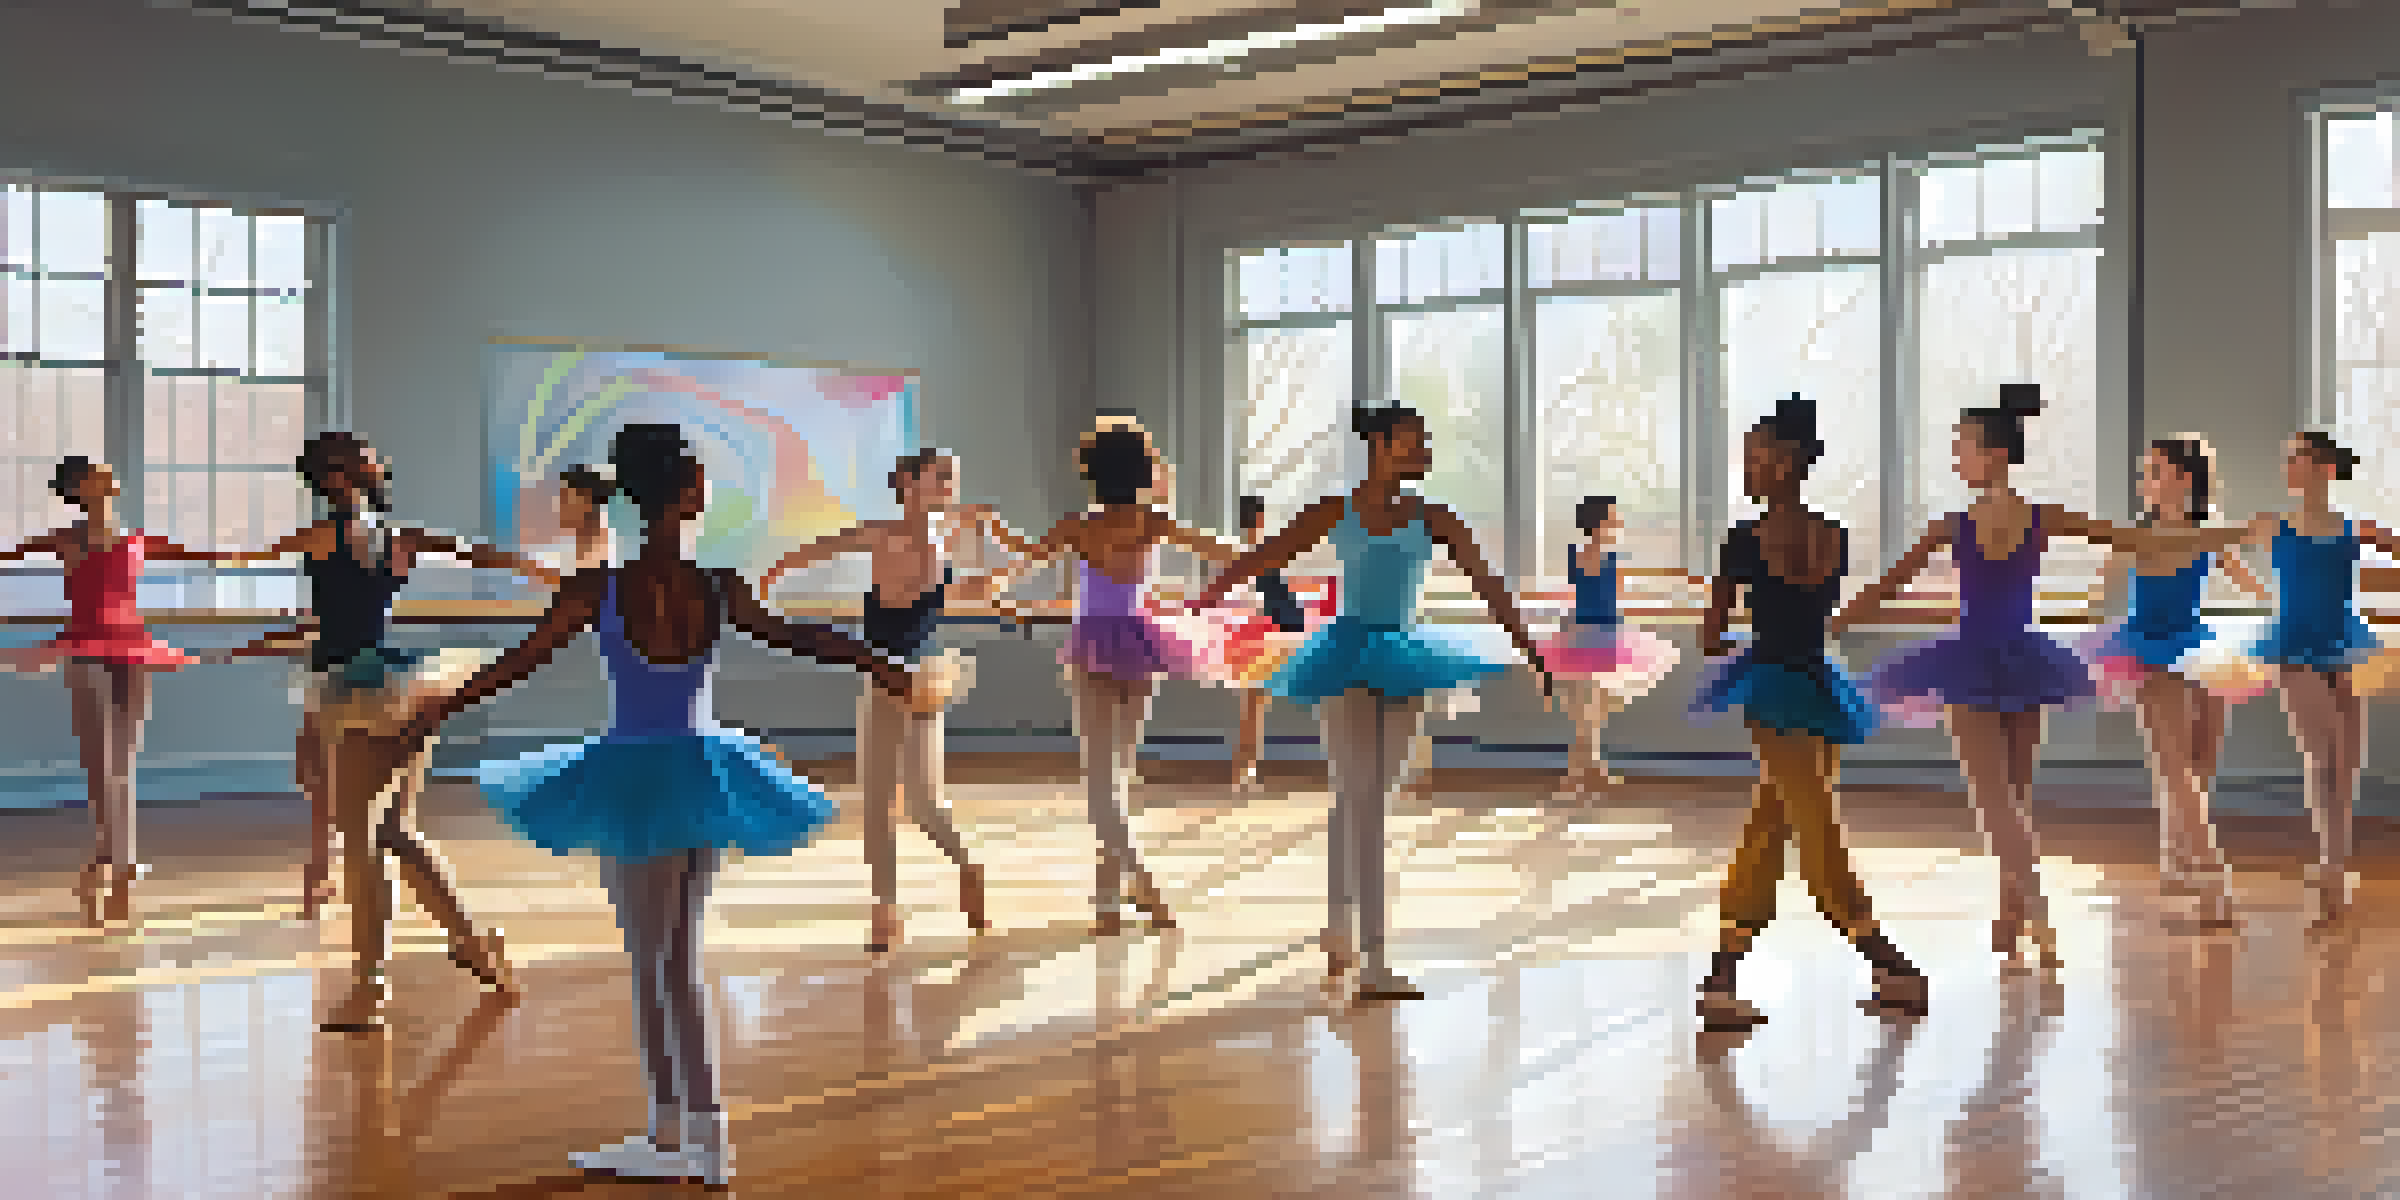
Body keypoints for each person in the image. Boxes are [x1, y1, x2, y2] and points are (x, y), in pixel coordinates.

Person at [398, 423, 926, 1184]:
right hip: (702, 768)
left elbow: (520, 662)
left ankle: (678, 1135)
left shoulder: (599, 589)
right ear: (685, 494)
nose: (707, 487)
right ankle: (695, 1138)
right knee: (681, 957)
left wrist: (441, 705)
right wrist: (878, 661)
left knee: (655, 963)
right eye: (700, 478)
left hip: (636, 774)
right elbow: (801, 637)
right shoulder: (718, 586)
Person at [1834, 385, 2220, 970]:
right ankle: (2010, 918)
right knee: (2016, 801)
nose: (1956, 456)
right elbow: (2139, 539)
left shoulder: (1953, 524)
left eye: (1963, 446)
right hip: (2025, 660)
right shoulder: (2043, 518)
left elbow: (1883, 591)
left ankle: (2037, 914)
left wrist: (1829, 624)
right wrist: (2230, 535)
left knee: (1995, 802)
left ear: (1993, 454)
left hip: (1972, 659)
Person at [1191, 406, 1554, 1001]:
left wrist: (1530, 648)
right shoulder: (1334, 510)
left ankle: (1343, 934)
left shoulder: (1434, 516)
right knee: (1355, 796)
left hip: (1405, 655)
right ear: (1381, 446)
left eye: (1425, 443)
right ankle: (1369, 956)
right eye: (1413, 443)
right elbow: (1265, 556)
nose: (1424, 453)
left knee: (1372, 797)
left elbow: (1488, 584)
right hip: (1343, 653)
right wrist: (1207, 600)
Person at [226, 431, 554, 1028]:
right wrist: (535, 567)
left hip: (367, 691)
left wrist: (540, 569)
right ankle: (472, 943)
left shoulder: (338, 536)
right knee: (392, 833)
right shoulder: (393, 537)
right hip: (386, 685)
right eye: (365, 458)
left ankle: (371, 985)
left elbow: (257, 570)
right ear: (338, 477)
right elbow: (472, 553)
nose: (378, 463)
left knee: (363, 838)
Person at [1689, 395, 1925, 1029]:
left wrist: (1731, 630)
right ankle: (1882, 965)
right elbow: (1813, 618)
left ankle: (1876, 963)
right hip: (1821, 685)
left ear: (1786, 462)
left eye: (1755, 456)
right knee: (1797, 819)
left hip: (1771, 688)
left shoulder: (1741, 541)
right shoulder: (1835, 537)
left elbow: (1710, 639)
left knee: (1792, 825)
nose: (1746, 467)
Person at [757, 447, 1040, 952]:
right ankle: (885, 911)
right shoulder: (883, 534)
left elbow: (989, 579)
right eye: (941, 476)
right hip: (884, 675)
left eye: (953, 477)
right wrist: (767, 584)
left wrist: (990, 555)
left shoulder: (944, 540)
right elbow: (807, 553)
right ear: (908, 483)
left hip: (921, 677)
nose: (950, 485)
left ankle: (966, 867)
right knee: (877, 802)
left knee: (923, 803)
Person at [984, 428, 1238, 936]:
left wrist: (992, 554)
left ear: (1092, 474)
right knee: (1117, 775)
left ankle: (1134, 885)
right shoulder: (1154, 521)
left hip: (1096, 646)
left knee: (1104, 780)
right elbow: (1229, 551)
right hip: (1142, 641)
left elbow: (1023, 560)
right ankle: (1109, 899)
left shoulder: (1078, 526)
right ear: (1141, 470)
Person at [0, 457, 234, 924]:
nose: (110, 473)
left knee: (123, 762)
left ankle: (109, 863)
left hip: (132, 646)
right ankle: (121, 864)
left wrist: (253, 552)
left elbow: (209, 556)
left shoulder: (137, 539)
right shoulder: (66, 539)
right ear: (82, 487)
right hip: (85, 646)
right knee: (100, 762)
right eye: (98, 471)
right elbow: (10, 555)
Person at [2080, 437, 2270, 927]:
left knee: (2201, 762)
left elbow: (2255, 588)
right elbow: (2098, 595)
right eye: (2145, 472)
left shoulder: (2209, 533)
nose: (2144, 481)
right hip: (2147, 649)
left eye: (2154, 471)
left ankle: (2176, 857)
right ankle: (2213, 881)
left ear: (2184, 479)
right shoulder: (2135, 536)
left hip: (2199, 645)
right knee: (2176, 765)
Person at [2233, 431, 2400, 930]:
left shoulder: (2354, 528)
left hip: (2343, 642)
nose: (2289, 465)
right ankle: (2330, 870)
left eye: (2298, 457)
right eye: (2288, 458)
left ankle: (2334, 869)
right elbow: (2216, 549)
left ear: (2324, 467)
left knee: (2345, 764)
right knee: (2324, 754)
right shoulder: (2272, 524)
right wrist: (2260, 592)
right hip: (2293, 642)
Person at [1536, 494, 1681, 795]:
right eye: (1613, 518)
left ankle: (1589, 772)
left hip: (1585, 633)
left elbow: (1581, 594)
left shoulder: (1578, 554)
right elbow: (1616, 595)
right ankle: (1578, 776)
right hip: (1596, 636)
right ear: (1600, 523)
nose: (1618, 523)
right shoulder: (1609, 559)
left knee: (1589, 712)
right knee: (1589, 713)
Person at [1217, 495, 1335, 789]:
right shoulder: (1262, 550)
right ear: (1258, 519)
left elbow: (1273, 588)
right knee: (1258, 703)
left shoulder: (1253, 550)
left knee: (1254, 705)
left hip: (1270, 629)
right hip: (1267, 631)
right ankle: (1245, 770)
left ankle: (1244, 770)